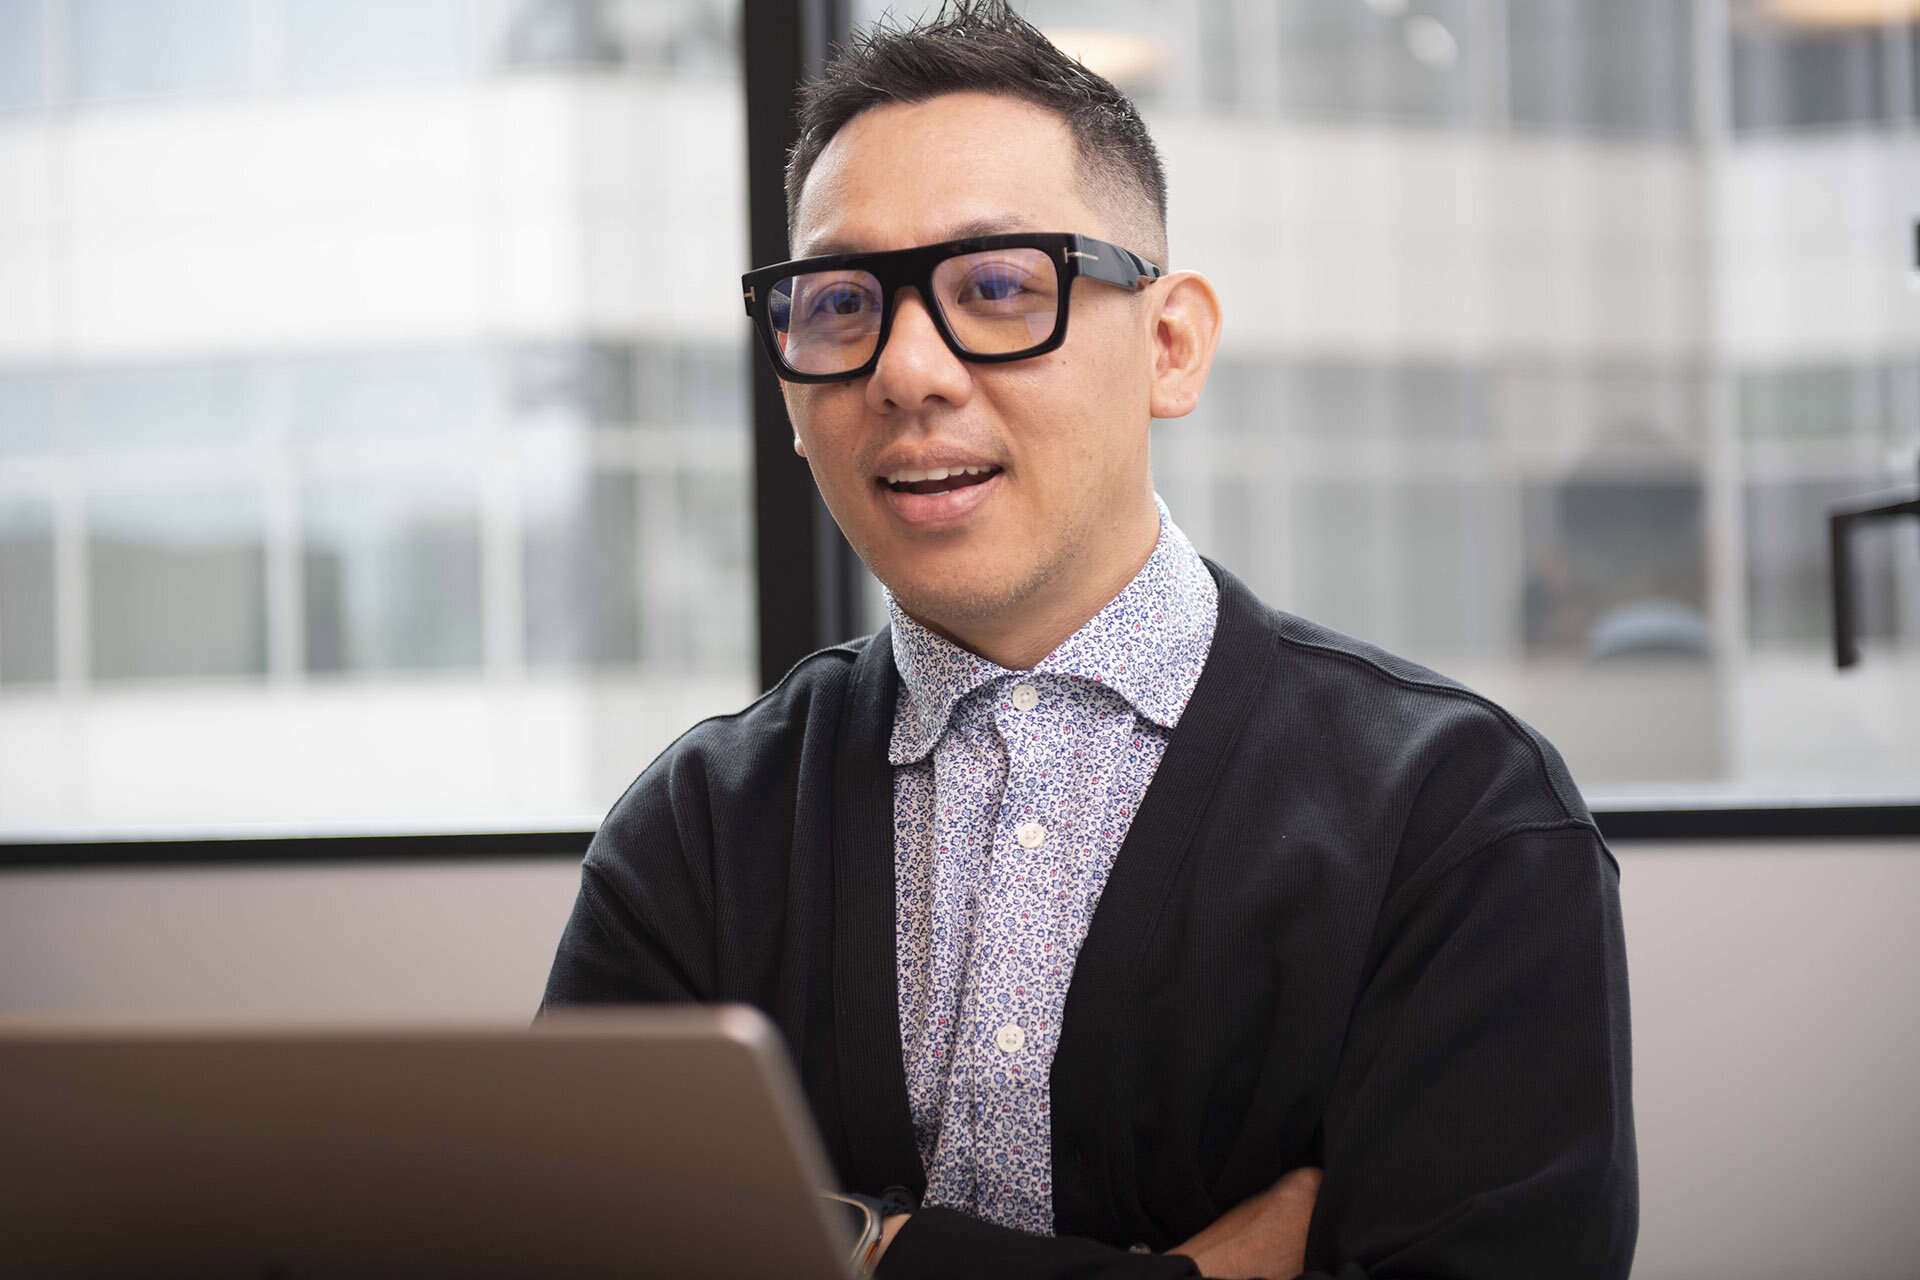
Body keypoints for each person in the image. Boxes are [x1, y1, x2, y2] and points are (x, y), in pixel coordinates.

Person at [542, 3, 1637, 1277]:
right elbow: (570, 1240)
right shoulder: (696, 830)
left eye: (1000, 287)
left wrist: (851, 1246)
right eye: (840, 304)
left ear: (1169, 346)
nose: (907, 371)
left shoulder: (1459, 817)